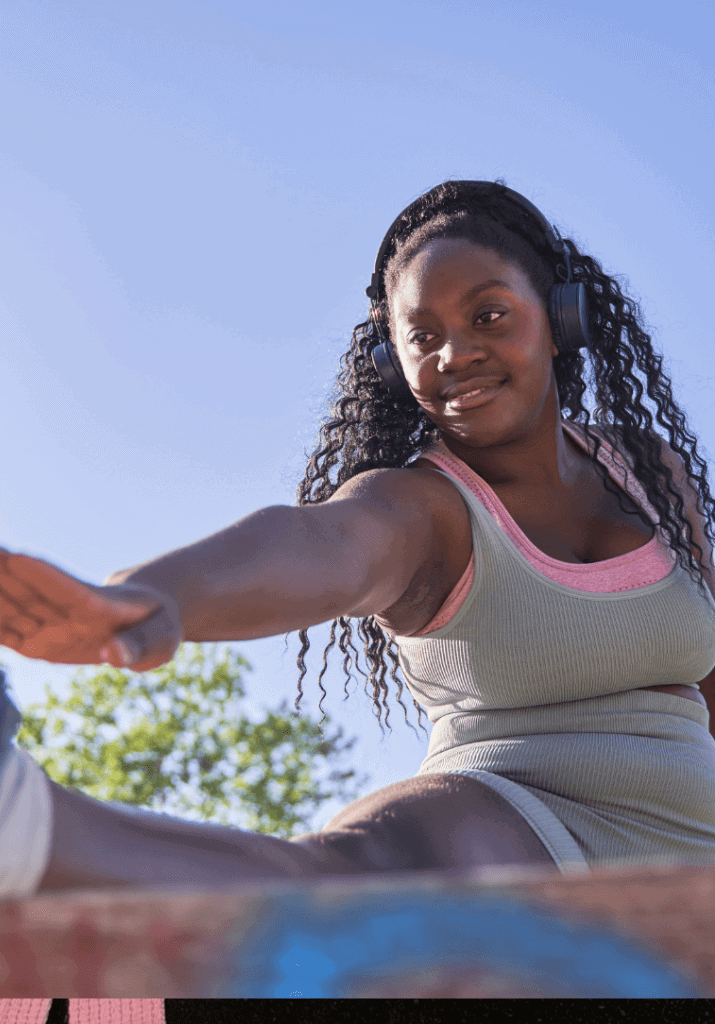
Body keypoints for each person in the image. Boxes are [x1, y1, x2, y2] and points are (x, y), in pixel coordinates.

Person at [2, 178, 715, 900]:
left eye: (489, 315)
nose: (453, 354)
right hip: (514, 831)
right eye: (422, 337)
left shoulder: (649, 470)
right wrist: (154, 595)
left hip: (693, 863)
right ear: (392, 364)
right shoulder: (421, 507)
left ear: (562, 318)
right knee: (365, 887)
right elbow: (320, 543)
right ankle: (25, 826)